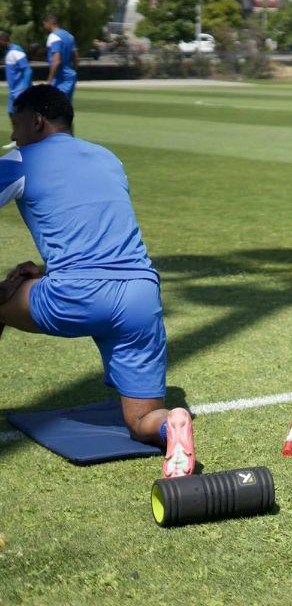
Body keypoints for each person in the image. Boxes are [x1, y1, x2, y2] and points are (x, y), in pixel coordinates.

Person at [0, 86, 193, 478]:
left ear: (36, 121)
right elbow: (92, 231)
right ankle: (168, 424)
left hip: (77, 295)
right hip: (140, 297)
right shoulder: (109, 158)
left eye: (15, 125)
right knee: (140, 419)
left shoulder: (18, 159)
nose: (13, 136)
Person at [42, 15, 77, 103]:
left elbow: (56, 61)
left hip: (60, 78)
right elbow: (75, 56)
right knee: (65, 109)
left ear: (49, 23)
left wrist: (49, 81)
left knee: (54, 107)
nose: (44, 26)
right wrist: (73, 70)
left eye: (44, 24)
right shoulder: (70, 36)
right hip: (70, 77)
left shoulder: (53, 36)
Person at [1, 31, 32, 119]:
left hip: (19, 92)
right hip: (14, 92)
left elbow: (28, 70)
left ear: (2, 41)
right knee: (12, 115)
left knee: (20, 121)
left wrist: (24, 89)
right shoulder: (10, 52)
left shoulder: (15, 51)